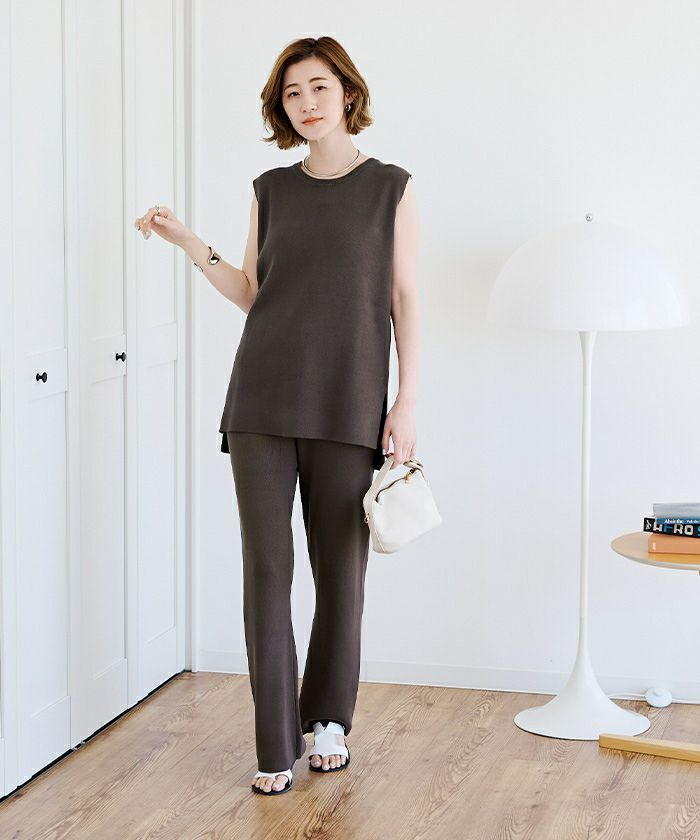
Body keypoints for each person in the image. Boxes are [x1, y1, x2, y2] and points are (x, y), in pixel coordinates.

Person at [133, 35, 420, 796]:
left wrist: (406, 400)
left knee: (341, 571)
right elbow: (256, 293)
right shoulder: (270, 188)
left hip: (348, 402)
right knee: (266, 568)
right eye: (292, 93)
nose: (307, 103)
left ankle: (327, 721)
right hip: (261, 397)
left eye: (319, 87)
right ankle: (274, 741)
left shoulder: (390, 188)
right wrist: (189, 242)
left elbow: (404, 298)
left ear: (348, 93)